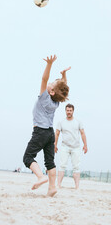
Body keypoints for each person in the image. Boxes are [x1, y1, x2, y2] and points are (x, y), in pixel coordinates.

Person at [23, 55, 71, 196]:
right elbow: (62, 90)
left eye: (52, 83)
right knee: (50, 161)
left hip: (40, 132)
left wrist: (49, 64)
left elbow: (44, 79)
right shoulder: (56, 101)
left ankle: (40, 176)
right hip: (50, 134)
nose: (49, 82)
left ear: (51, 91)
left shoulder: (45, 97)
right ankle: (52, 187)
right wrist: (63, 75)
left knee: (27, 157)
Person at [55, 104, 88, 189]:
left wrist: (85, 145)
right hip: (64, 146)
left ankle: (77, 186)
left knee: (76, 167)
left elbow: (82, 133)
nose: (69, 112)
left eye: (70, 110)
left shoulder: (78, 122)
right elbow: (57, 134)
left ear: (73, 111)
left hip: (76, 147)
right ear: (65, 111)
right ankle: (58, 185)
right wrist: (55, 145)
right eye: (67, 110)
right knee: (62, 165)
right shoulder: (61, 122)